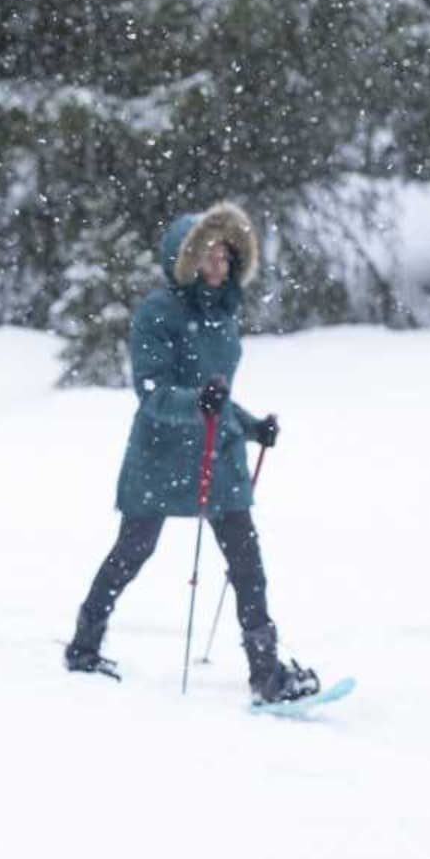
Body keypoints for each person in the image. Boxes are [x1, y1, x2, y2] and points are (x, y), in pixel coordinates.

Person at [62, 201, 318, 703]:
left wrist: (250, 426)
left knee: (246, 558)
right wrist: (195, 402)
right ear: (186, 260)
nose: (219, 267)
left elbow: (216, 392)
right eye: (208, 257)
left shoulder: (225, 315)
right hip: (160, 453)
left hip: (215, 454)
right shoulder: (159, 312)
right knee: (132, 552)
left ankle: (265, 671)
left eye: (226, 257)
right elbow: (152, 392)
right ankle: (85, 643)